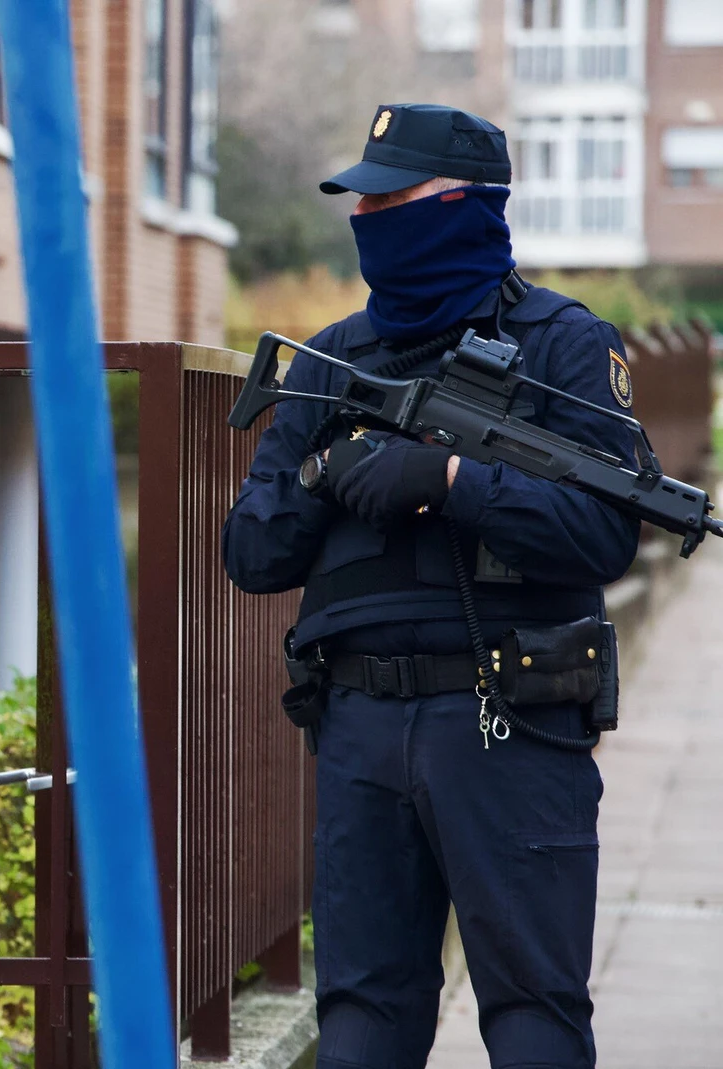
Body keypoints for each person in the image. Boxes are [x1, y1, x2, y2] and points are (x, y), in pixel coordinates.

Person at [222, 104, 640, 1069]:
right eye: (364, 204)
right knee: (363, 1014)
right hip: (359, 725)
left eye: (394, 199)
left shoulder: (565, 347)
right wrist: (331, 471)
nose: (371, 220)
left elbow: (608, 531)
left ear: (466, 206)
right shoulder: (331, 359)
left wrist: (451, 480)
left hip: (512, 718)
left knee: (533, 1012)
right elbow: (255, 553)